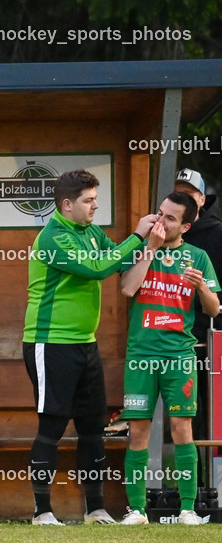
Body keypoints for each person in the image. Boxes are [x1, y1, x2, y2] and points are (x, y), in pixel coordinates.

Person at [22, 169, 155, 525]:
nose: (96, 206)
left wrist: (150, 245)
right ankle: (42, 512)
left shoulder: (91, 232)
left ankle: (95, 509)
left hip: (86, 344)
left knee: (93, 427)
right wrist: (137, 235)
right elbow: (96, 268)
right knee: (51, 427)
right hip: (50, 343)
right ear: (67, 204)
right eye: (89, 201)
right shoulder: (52, 237)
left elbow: (118, 261)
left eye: (96, 199)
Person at [118, 192, 220, 525]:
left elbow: (214, 309)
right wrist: (150, 249)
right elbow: (127, 289)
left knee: (181, 428)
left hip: (179, 354)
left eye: (170, 218)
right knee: (138, 430)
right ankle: (137, 510)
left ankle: (188, 509)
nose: (160, 221)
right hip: (141, 354)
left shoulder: (198, 257)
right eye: (160, 213)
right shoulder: (139, 248)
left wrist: (201, 287)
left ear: (186, 227)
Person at [173, 169, 222, 440]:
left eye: (190, 194)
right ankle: (192, 469)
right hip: (174, 340)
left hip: (212, 338)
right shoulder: (164, 234)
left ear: (202, 199)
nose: (184, 199)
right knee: (186, 418)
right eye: (178, 193)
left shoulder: (218, 233)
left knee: (215, 414)